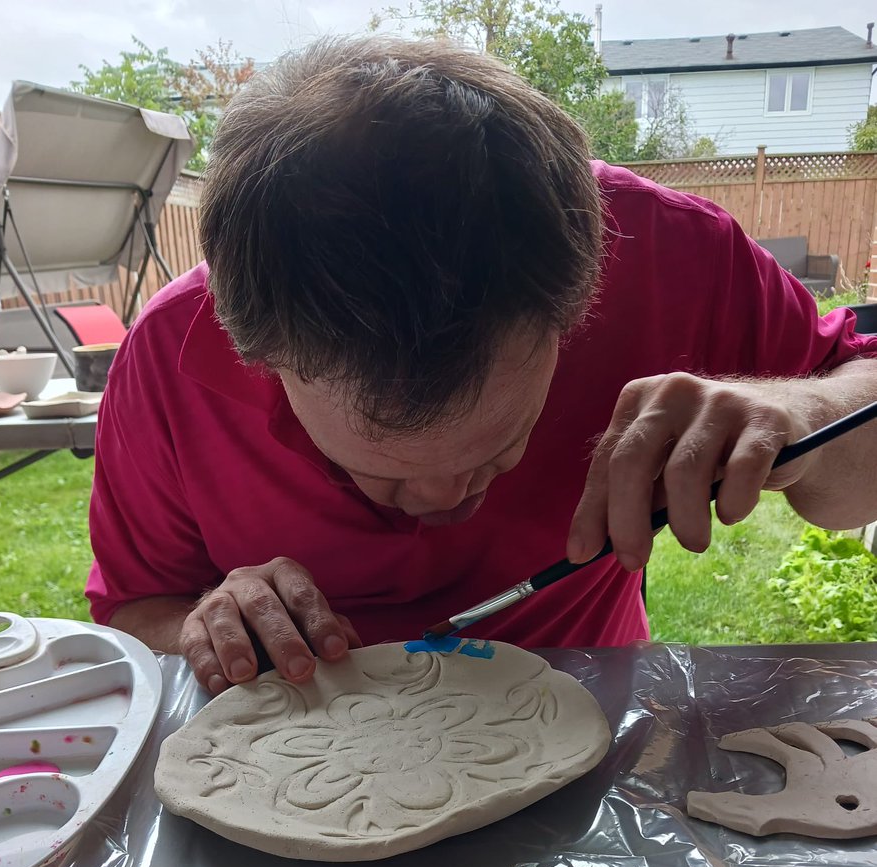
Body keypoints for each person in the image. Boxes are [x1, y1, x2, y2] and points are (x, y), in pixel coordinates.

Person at [87, 36, 877, 694]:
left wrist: (799, 418)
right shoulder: (168, 353)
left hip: (586, 701)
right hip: (306, 739)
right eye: (381, 475)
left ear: (585, 297)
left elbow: (856, 463)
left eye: (498, 451)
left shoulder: (666, 250)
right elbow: (135, 610)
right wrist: (206, 625)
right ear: (255, 349)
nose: (445, 503)